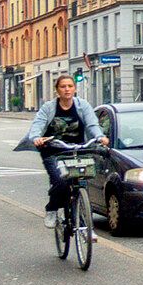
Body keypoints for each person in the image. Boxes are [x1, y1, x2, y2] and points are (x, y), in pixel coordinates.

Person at [23, 77, 107, 227]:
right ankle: (52, 209)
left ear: (75, 88)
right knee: (60, 180)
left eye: (70, 86)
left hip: (77, 149)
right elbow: (38, 124)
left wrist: (99, 136)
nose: (67, 89)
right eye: (63, 86)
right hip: (54, 151)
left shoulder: (83, 105)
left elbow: (92, 124)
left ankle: (80, 212)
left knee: (82, 179)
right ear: (57, 90)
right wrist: (36, 138)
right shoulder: (49, 107)